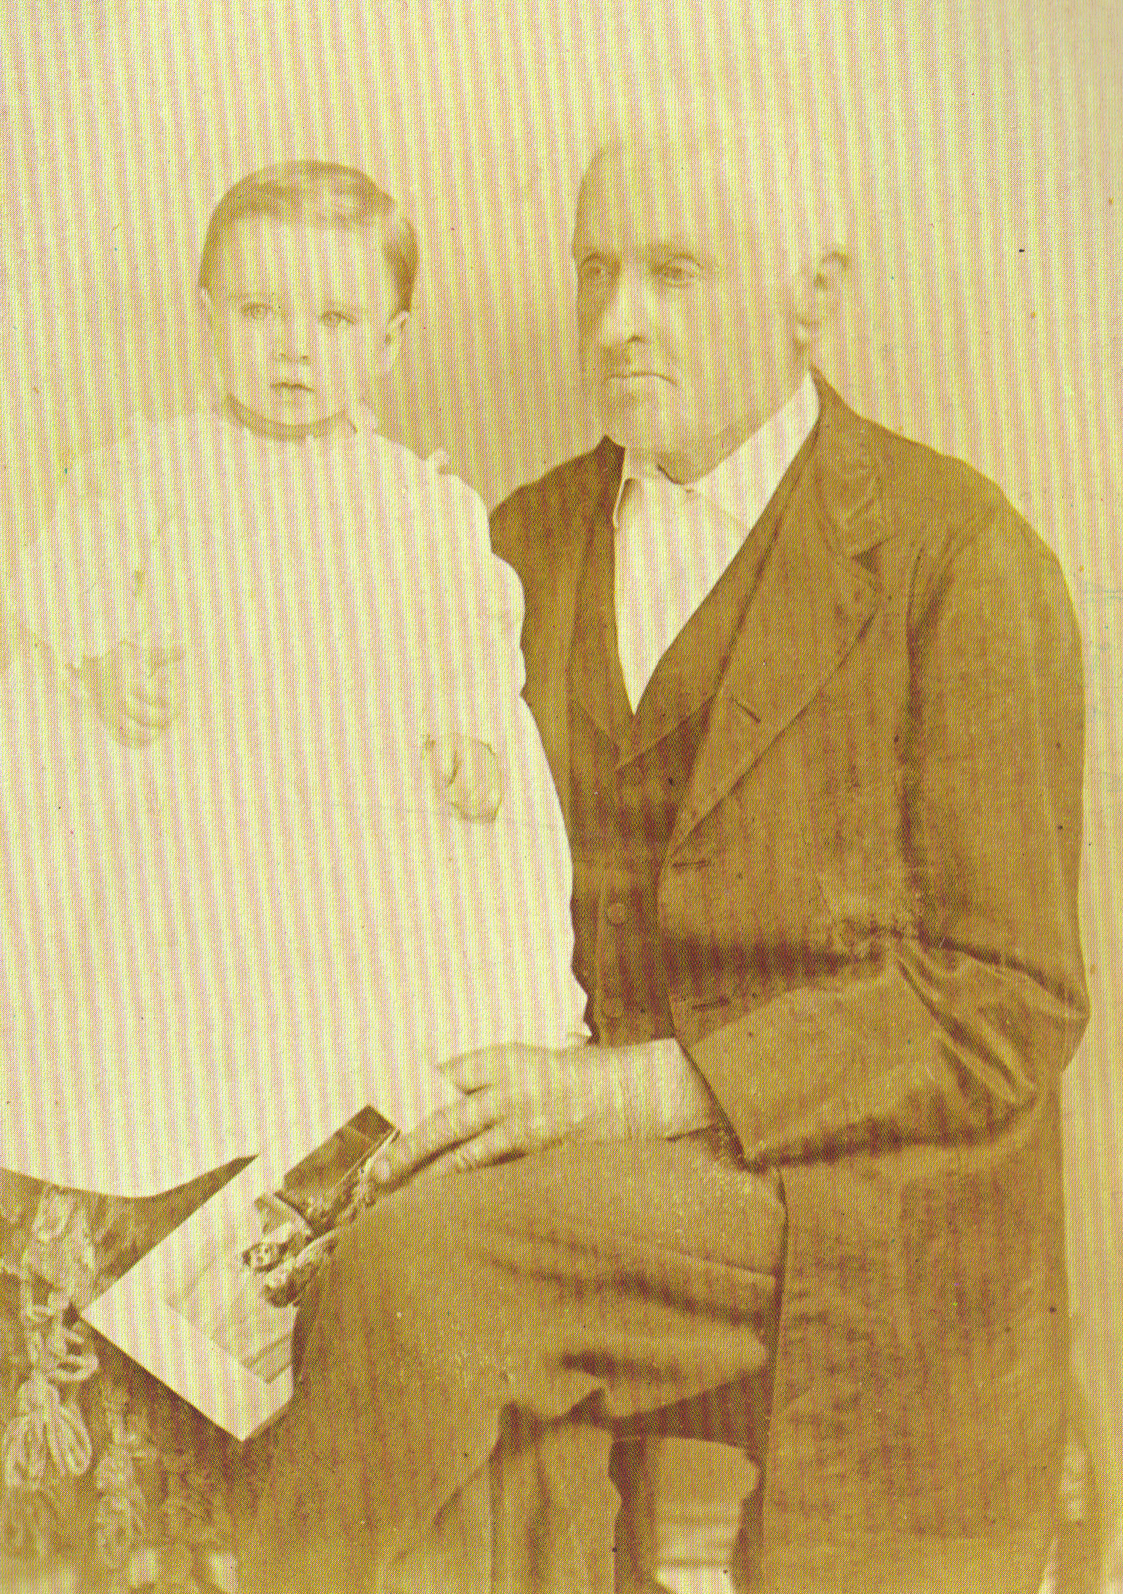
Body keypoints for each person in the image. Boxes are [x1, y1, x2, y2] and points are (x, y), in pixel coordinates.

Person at [240, 126, 1088, 1594]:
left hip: (850, 1182)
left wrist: (641, 1087)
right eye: (595, 271)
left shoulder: (954, 556)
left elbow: (1004, 999)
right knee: (360, 1261)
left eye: (674, 272)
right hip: (574, 1155)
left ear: (812, 298)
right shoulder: (521, 542)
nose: (617, 320)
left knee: (425, 1271)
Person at [0, 158, 585, 1201]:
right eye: (260, 311)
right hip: (200, 792)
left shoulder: (417, 504)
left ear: (390, 340)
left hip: (354, 803)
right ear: (207, 318)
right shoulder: (155, 468)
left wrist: (471, 725)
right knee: (171, 977)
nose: (294, 346)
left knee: (363, 989)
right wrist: (106, 655)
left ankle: (328, 1163)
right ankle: (168, 1154)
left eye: (335, 320)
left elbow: (470, 630)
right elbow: (71, 564)